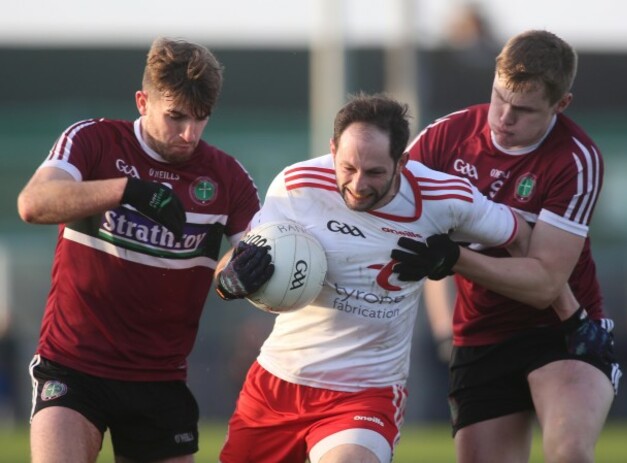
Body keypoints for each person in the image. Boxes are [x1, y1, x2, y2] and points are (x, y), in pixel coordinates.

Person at [211, 92, 581, 463]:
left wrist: (570, 315)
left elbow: (521, 236)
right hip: (278, 381)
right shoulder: (297, 185)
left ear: (402, 161)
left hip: (365, 392)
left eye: (374, 173)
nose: (357, 185)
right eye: (347, 168)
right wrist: (230, 280)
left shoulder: (445, 197)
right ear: (333, 149)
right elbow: (240, 258)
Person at [16, 37, 266, 463]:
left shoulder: (228, 178)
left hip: (159, 378)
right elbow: (33, 203)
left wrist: (234, 276)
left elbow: (253, 257)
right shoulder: (93, 140)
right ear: (142, 101)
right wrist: (127, 191)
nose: (189, 133)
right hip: (74, 365)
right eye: (176, 117)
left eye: (201, 119)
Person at [405, 29, 622, 463]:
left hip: (562, 331)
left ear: (561, 105)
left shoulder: (576, 159)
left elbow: (544, 282)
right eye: (499, 97)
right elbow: (385, 195)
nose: (503, 117)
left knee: (570, 453)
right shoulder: (447, 136)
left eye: (523, 110)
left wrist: (454, 258)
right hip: (480, 336)